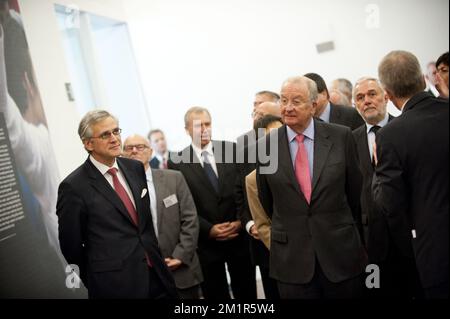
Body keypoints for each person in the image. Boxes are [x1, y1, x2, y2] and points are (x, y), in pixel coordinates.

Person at [256, 76, 367, 299]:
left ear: (314, 105)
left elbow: (355, 193)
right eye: (284, 100)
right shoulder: (265, 146)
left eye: (296, 101)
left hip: (340, 254)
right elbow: (267, 200)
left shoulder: (341, 136)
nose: (287, 108)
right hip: (292, 262)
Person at [56, 110, 178, 299]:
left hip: (158, 276)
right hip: (116, 287)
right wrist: (98, 280)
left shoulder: (134, 168)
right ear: (88, 144)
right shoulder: (73, 187)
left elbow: (144, 227)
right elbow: (70, 247)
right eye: (105, 134)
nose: (114, 139)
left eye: (116, 131)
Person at [374, 50, 449, 298]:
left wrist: (413, 248)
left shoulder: (390, 136)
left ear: (387, 94)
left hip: (436, 256)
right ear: (424, 79)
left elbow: (392, 205)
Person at [168, 107, 256, 299]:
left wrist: (241, 222)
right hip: (206, 243)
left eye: (207, 124)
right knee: (215, 295)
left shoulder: (232, 149)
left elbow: (246, 191)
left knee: (247, 293)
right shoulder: (177, 161)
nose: (204, 129)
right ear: (187, 129)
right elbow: (184, 206)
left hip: (238, 238)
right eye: (198, 125)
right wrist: (209, 229)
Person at [352, 77, 421, 298]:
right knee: (378, 294)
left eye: (372, 94)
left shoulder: (406, 130)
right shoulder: (349, 142)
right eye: (360, 98)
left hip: (410, 237)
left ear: (386, 96)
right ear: (355, 105)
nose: (367, 101)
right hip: (370, 243)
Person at [122, 134, 203, 299]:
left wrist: (180, 256)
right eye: (129, 148)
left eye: (140, 147)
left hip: (181, 269)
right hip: (145, 276)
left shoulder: (174, 178)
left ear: (151, 152)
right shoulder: (120, 190)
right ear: (122, 155)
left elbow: (190, 219)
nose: (135, 151)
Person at [245, 115, 283, 250]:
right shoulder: (253, 180)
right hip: (287, 254)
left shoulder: (309, 163)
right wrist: (283, 252)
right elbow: (263, 225)